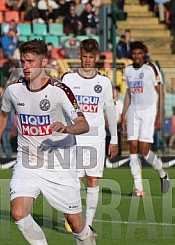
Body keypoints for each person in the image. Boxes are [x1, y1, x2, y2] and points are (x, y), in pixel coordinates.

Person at [0, 39, 108, 245]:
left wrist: (67, 127)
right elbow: (3, 114)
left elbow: (83, 124)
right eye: (23, 61)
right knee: (18, 212)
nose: (26, 66)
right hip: (27, 162)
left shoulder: (59, 91)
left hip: (60, 164)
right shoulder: (14, 89)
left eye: (30, 61)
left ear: (44, 62)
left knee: (76, 224)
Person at [61, 39, 118, 229]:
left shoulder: (104, 82)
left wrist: (114, 139)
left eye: (91, 57)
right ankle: (73, 214)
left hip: (96, 138)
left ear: (96, 58)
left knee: (93, 179)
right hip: (75, 137)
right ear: (79, 56)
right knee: (75, 180)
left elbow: (110, 111)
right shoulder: (68, 79)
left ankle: (89, 224)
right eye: (84, 56)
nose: (87, 61)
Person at [121, 41, 170, 197]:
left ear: (144, 53)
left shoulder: (151, 68)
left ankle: (162, 172)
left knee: (144, 150)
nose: (136, 56)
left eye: (139, 53)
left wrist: (159, 116)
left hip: (149, 113)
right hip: (134, 112)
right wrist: (123, 114)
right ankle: (138, 188)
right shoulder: (127, 70)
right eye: (134, 53)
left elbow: (161, 92)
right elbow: (129, 93)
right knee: (132, 148)